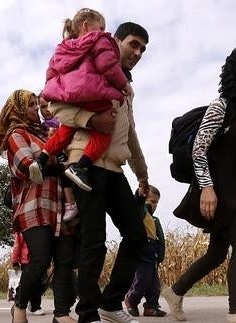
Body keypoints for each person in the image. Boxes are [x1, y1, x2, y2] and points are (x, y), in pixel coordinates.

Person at [162, 43, 236, 323]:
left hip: (235, 191)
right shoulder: (221, 106)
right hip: (216, 190)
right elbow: (198, 149)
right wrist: (206, 187)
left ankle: (175, 292)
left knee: (216, 254)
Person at [49, 21, 151, 323]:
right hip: (85, 163)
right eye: (133, 44)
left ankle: (110, 303)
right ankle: (88, 313)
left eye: (143, 49)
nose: (138, 52)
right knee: (94, 239)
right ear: (114, 41)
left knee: (136, 235)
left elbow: (130, 134)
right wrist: (91, 120)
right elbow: (55, 107)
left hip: (115, 170)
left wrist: (143, 175)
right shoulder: (86, 72)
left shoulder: (126, 90)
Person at [0, 89, 78, 323]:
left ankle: (62, 313)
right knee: (40, 260)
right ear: (17, 108)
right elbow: (27, 167)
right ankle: (20, 305)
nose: (36, 109)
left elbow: (65, 159)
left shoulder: (48, 133)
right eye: (30, 105)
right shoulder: (16, 134)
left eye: (36, 104)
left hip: (61, 204)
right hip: (35, 205)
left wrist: (56, 160)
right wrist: (55, 165)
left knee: (64, 260)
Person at [34, 8, 131, 192]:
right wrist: (122, 84)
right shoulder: (99, 39)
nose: (103, 31)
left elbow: (50, 76)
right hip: (94, 95)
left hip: (71, 99)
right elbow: (107, 64)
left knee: (65, 130)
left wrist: (59, 91)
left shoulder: (61, 50)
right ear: (86, 26)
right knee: (104, 133)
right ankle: (81, 166)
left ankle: (41, 160)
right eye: (101, 27)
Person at [124, 185, 166, 318]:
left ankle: (151, 307)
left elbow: (160, 239)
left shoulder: (154, 219)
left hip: (153, 254)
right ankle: (131, 300)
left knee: (154, 285)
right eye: (152, 201)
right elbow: (138, 206)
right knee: (141, 279)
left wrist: (160, 253)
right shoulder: (141, 214)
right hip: (142, 252)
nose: (155, 205)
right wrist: (141, 196)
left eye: (157, 203)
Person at [38, 95, 78, 221]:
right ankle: (70, 204)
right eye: (43, 106)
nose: (47, 109)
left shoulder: (66, 120)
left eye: (50, 104)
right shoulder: (41, 128)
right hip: (56, 165)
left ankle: (72, 203)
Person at [11, 232, 45, 316]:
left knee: (38, 285)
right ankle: (30, 306)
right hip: (26, 261)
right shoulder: (21, 231)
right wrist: (15, 261)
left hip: (38, 260)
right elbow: (17, 245)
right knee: (28, 284)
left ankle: (34, 305)